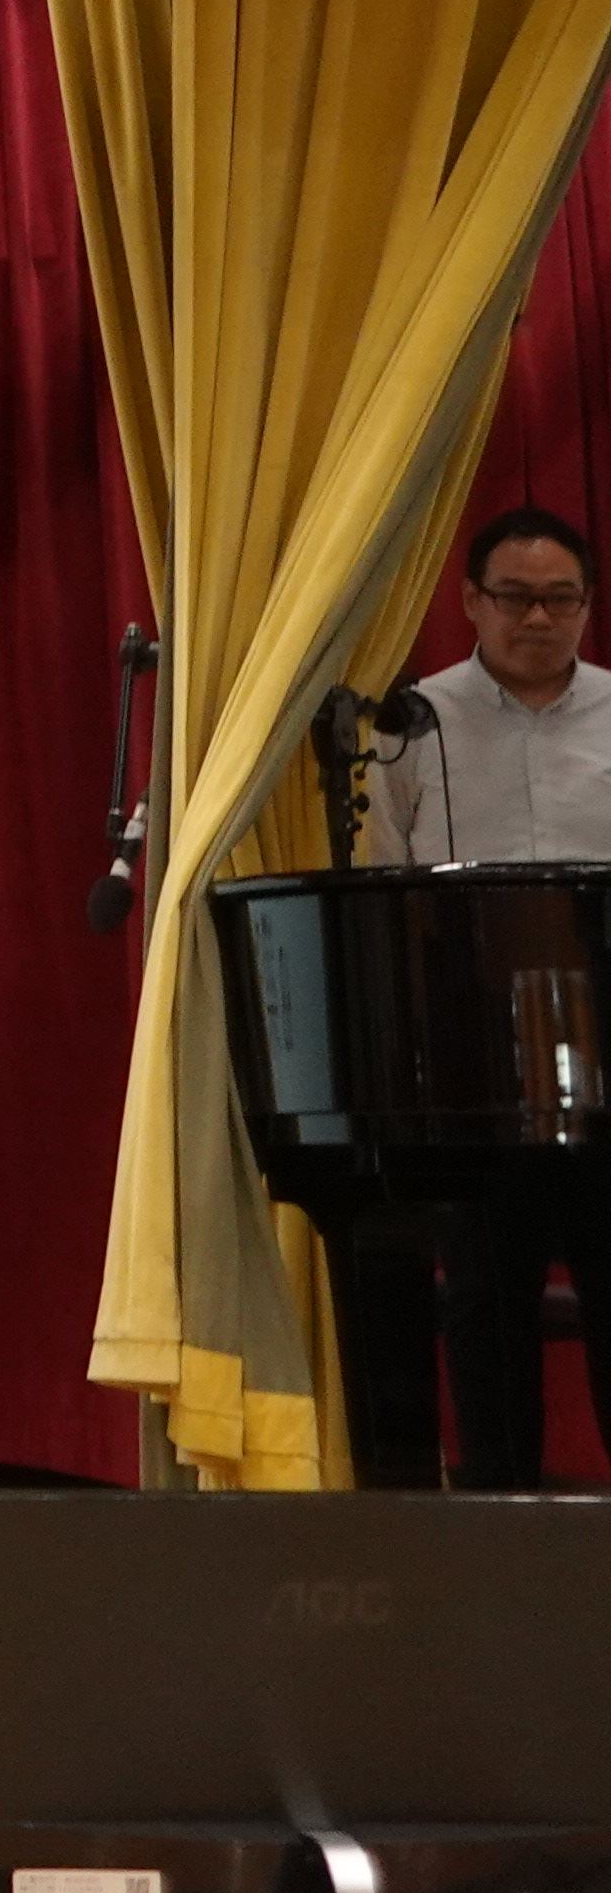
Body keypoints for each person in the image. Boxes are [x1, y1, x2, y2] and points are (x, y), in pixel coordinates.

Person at [337, 501, 611, 1489]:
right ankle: (500, 1515)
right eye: (515, 596)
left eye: (560, 599)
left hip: (606, 1061)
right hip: (471, 1072)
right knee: (485, 1299)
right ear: (469, 600)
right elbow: (380, 884)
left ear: (587, 605)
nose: (538, 618)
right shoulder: (411, 724)